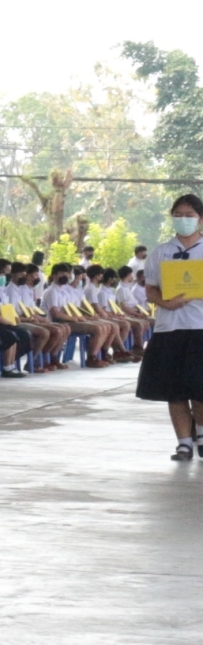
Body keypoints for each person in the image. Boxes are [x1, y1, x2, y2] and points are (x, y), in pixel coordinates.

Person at [139, 194, 203, 458]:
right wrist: (166, 302)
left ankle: (201, 435)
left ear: (200, 219)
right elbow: (150, 288)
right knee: (174, 390)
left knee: (199, 389)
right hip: (169, 328)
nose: (183, 219)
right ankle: (184, 443)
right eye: (178, 215)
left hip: (199, 327)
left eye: (189, 215)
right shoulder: (161, 251)